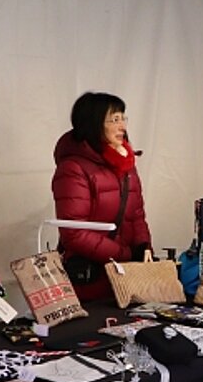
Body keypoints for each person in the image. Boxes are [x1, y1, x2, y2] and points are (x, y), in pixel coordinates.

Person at [51, 92, 152, 302]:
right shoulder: (73, 168)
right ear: (94, 123)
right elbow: (74, 232)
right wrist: (124, 254)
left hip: (126, 277)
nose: (122, 126)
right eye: (114, 120)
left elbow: (136, 215)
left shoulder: (126, 165)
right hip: (90, 281)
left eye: (123, 118)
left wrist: (143, 247)